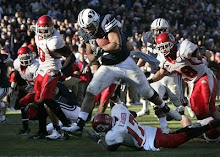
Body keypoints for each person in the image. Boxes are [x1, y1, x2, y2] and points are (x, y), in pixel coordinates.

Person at [62, 8, 181, 135]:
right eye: (86, 27)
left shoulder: (106, 21)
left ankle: (167, 109)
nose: (87, 30)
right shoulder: (85, 32)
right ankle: (79, 125)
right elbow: (90, 55)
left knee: (147, 92)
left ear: (95, 21)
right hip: (107, 66)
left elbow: (116, 45)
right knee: (91, 91)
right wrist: (95, 55)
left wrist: (100, 49)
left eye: (89, 27)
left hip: (125, 63)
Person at [87, 103, 220, 151]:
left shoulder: (113, 134)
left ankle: (212, 125)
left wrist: (98, 140)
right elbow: (131, 114)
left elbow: (111, 150)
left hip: (151, 141)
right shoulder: (117, 109)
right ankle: (209, 125)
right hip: (149, 130)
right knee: (180, 134)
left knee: (180, 137)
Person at [26, 15, 76, 139]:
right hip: (42, 68)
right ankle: (42, 131)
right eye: (40, 29)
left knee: (45, 98)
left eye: (45, 29)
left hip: (52, 68)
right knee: (39, 101)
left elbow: (71, 57)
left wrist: (60, 71)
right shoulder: (38, 31)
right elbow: (35, 27)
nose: (42, 32)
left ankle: (66, 124)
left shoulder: (54, 41)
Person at [150, 32, 220, 120]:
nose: (164, 50)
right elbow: (160, 73)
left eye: (165, 46)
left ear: (172, 43)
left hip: (204, 76)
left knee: (206, 108)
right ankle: (211, 128)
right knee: (197, 110)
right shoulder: (165, 60)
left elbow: (199, 53)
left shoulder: (183, 48)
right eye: (161, 48)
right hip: (193, 83)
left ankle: (212, 129)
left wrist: (203, 53)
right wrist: (149, 81)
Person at [137, 18, 190, 133]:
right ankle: (165, 129)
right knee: (156, 101)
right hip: (155, 73)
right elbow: (145, 53)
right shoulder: (147, 38)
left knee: (179, 106)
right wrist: (137, 66)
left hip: (170, 74)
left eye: (161, 30)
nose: (158, 33)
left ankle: (190, 122)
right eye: (155, 30)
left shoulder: (170, 39)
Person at [0, 49, 13, 123]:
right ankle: (2, 107)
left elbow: (12, 63)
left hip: (3, 86)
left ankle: (2, 114)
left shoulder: (2, 57)